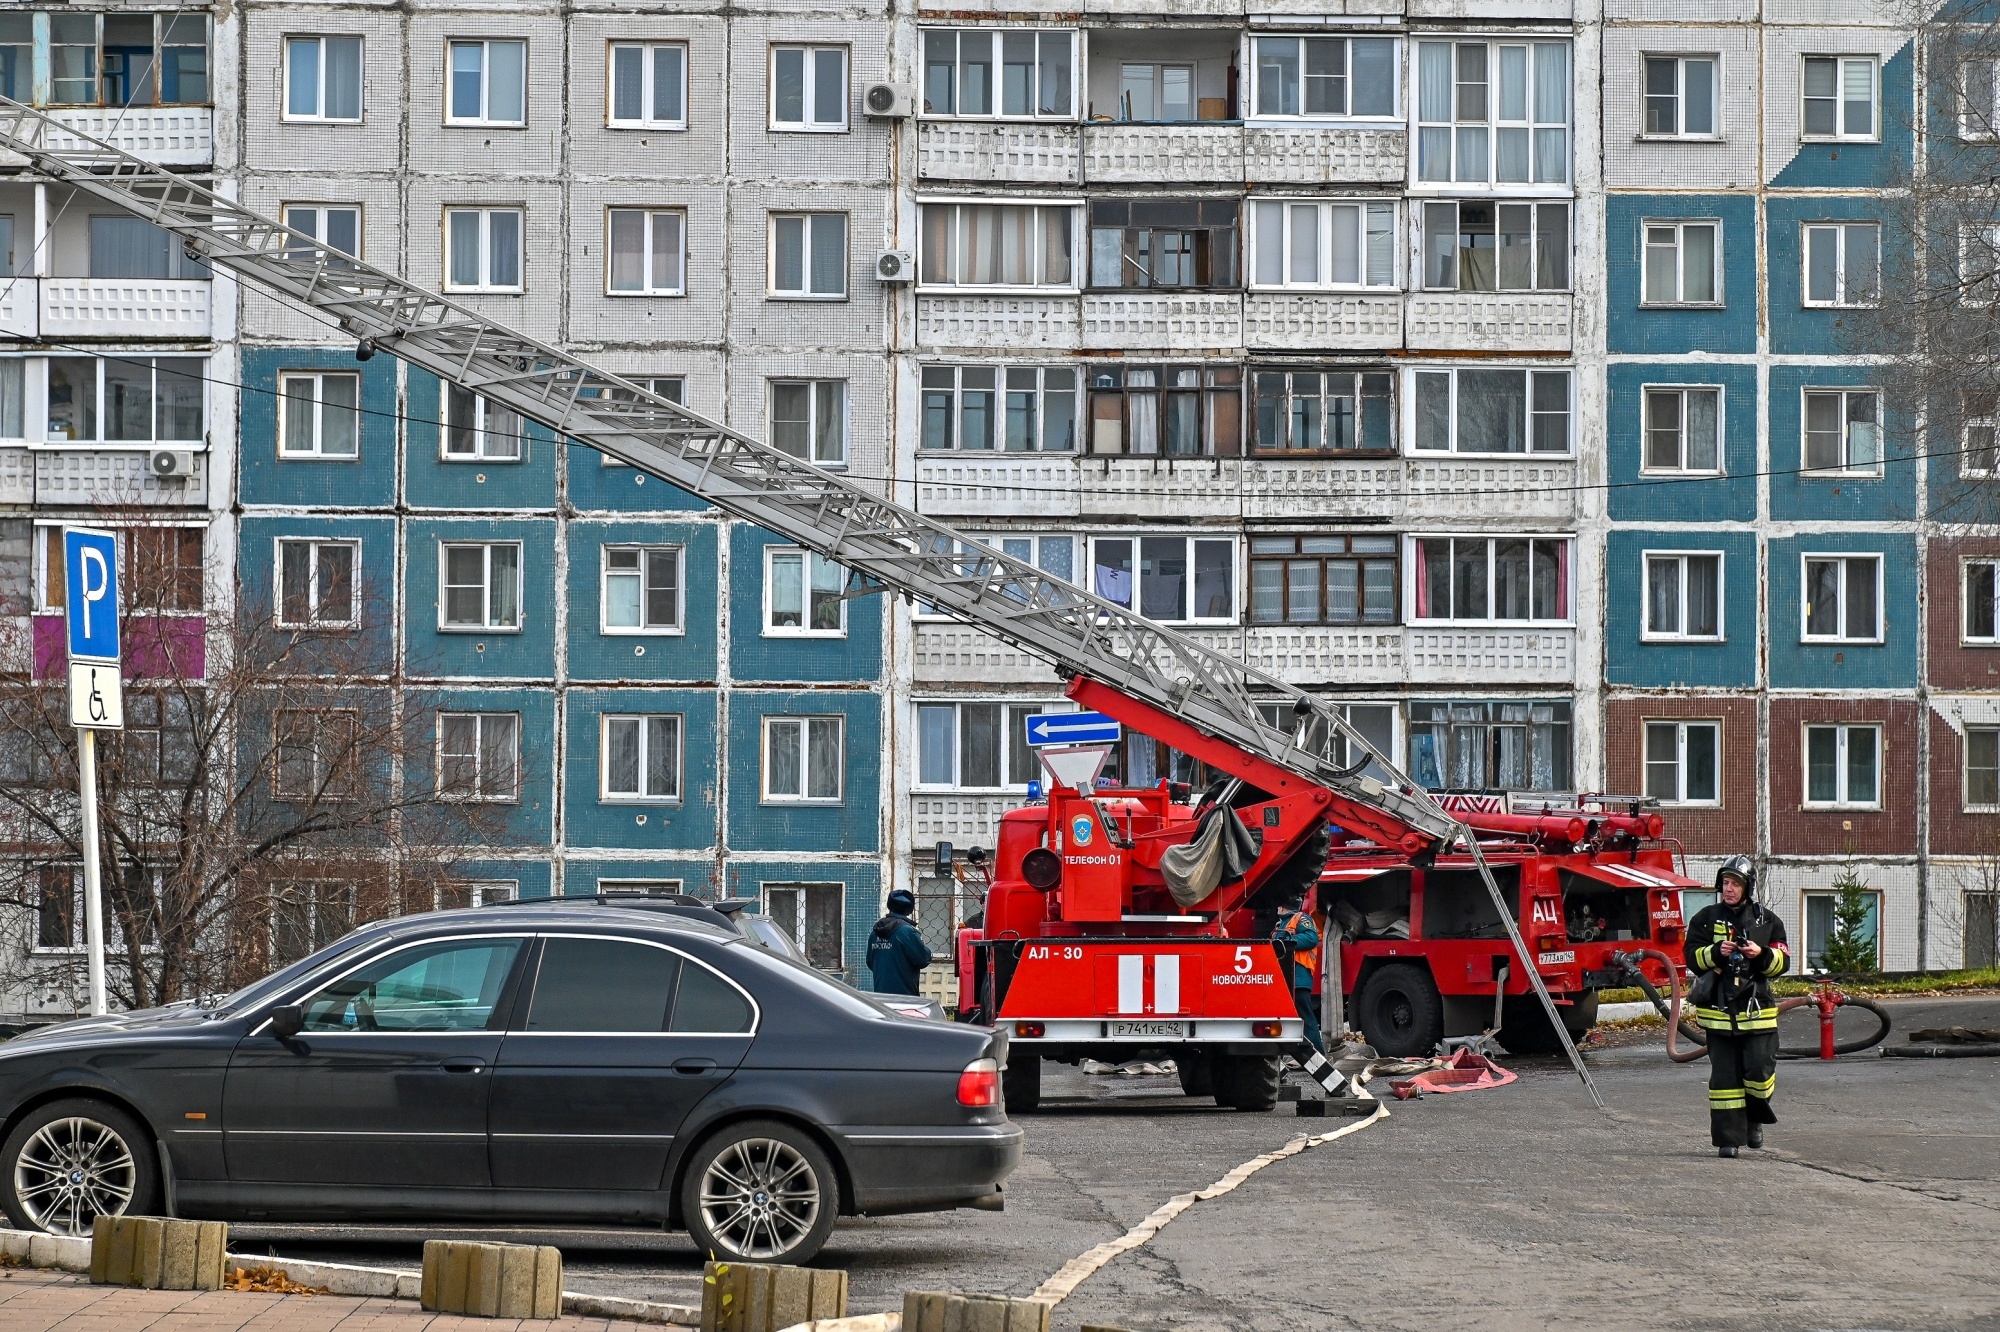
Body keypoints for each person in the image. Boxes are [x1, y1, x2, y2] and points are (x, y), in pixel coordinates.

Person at [1682, 855, 1791, 1158]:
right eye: (1726, 883)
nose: (1729, 889)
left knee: (1759, 1070)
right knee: (1725, 1081)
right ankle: (1729, 1140)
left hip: (1757, 1014)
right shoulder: (1704, 918)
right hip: (1719, 1015)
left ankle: (1755, 1118)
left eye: (1736, 884)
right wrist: (1716, 952)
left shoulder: (1767, 920)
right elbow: (1691, 957)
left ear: (1748, 887)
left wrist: (1760, 954)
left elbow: (1782, 962)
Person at [1273, 905, 1325, 1054]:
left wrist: (1286, 940)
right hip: (1285, 979)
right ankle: (1286, 1055)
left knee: (1305, 1017)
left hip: (1298, 977)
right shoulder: (1279, 925)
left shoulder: (1301, 918)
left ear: (1282, 907)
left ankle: (1317, 1054)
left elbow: (1311, 938)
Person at [867, 889, 931, 996]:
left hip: (880, 995)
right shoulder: (907, 931)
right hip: (904, 997)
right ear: (909, 910)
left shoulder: (875, 933)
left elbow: (870, 962)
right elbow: (923, 959)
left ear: (889, 905)